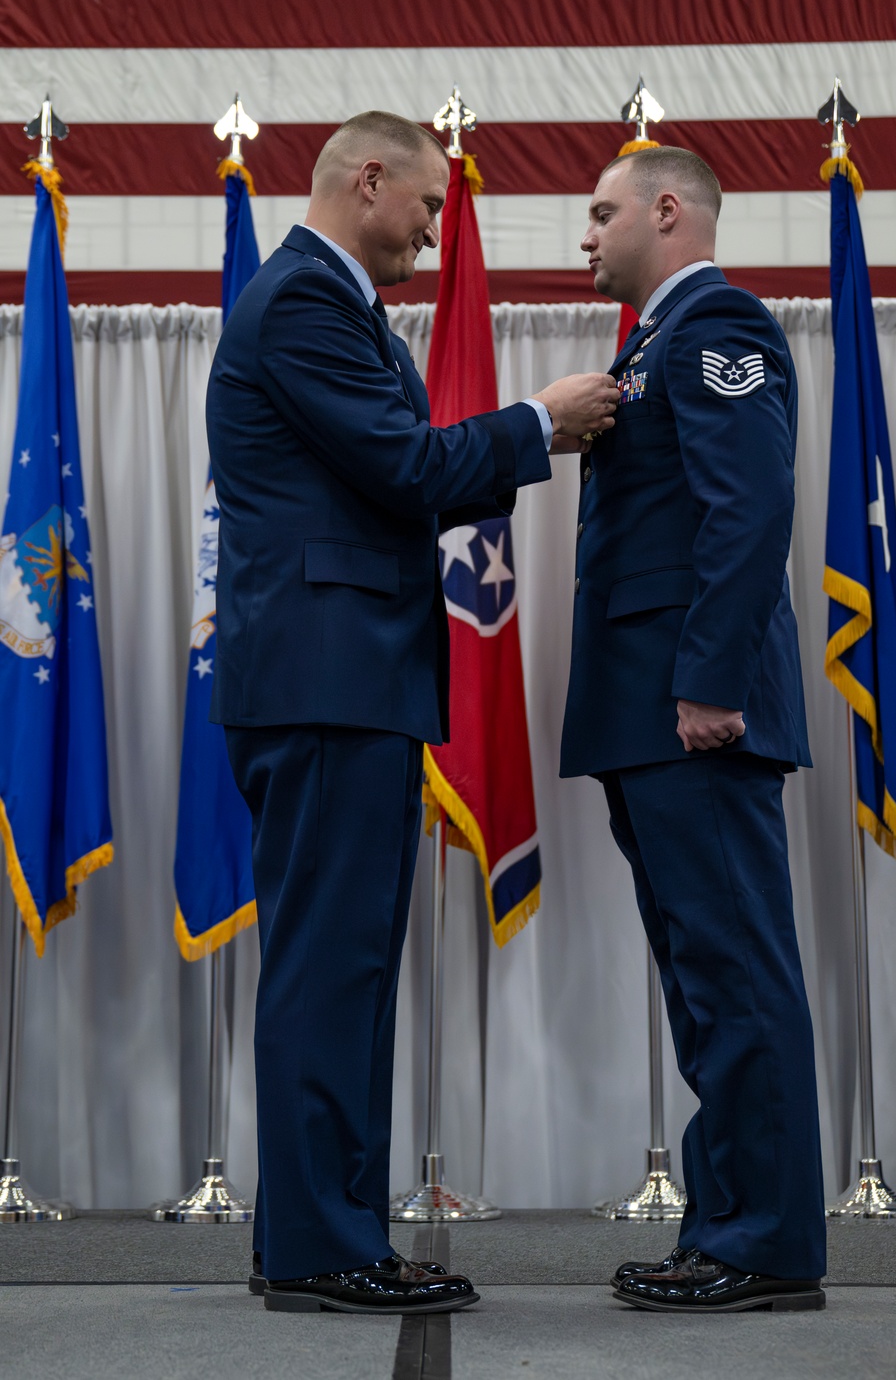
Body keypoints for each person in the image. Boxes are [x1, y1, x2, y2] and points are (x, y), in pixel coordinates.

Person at [207, 111, 619, 1315]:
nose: (438, 230)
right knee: (329, 972)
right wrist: (541, 421)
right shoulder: (301, 303)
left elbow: (400, 471)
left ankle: (312, 1237)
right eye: (430, 204)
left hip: (347, 681)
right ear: (368, 179)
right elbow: (407, 471)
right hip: (327, 684)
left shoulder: (335, 311)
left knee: (339, 967)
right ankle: (320, 1252)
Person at [562, 146, 826, 1314]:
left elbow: (750, 505)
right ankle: (727, 1225)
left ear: (668, 211)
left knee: (735, 973)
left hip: (694, 713)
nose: (587, 236)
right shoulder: (657, 343)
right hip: (653, 714)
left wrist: (711, 681)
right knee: (701, 979)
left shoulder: (718, 328)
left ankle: (765, 1245)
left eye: (602, 213)